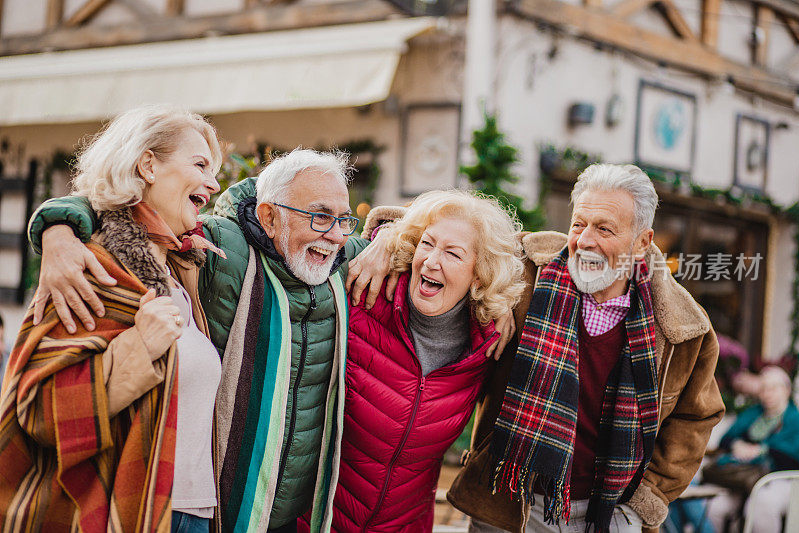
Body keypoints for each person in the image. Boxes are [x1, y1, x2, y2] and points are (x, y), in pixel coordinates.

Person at [25, 149, 514, 532]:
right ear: (270, 213)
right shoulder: (244, 253)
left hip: (352, 519)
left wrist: (505, 309)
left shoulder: (359, 273)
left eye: (343, 220)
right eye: (318, 216)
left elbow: (512, 251)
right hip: (235, 507)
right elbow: (133, 212)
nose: (334, 234)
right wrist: (58, 231)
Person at [439, 163, 725, 533]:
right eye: (579, 224)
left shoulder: (684, 329)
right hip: (507, 503)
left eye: (604, 228)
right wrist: (381, 243)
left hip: (612, 515)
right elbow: (438, 238)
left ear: (642, 242)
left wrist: (644, 504)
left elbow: (696, 418)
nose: (585, 240)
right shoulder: (521, 277)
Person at [0, 104, 225, 531]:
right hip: (126, 512)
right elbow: (40, 411)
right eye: (199, 164)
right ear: (147, 166)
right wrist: (141, 348)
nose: (213, 183)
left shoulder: (183, 268)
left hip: (194, 511)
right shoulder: (90, 269)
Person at [322, 190, 525, 531]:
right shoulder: (363, 294)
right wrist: (385, 235)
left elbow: (583, 247)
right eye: (427, 244)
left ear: (479, 276)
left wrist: (507, 307)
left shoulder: (486, 347)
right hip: (318, 519)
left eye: (452, 254)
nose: (431, 261)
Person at [704, 365, 799, 533]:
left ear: (786, 390)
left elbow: (792, 456)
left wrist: (761, 451)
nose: (767, 393)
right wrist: (738, 446)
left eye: (773, 388)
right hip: (744, 475)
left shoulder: (795, 419)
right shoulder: (754, 412)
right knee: (715, 506)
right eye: (763, 388)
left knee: (761, 504)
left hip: (779, 479)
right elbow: (726, 440)